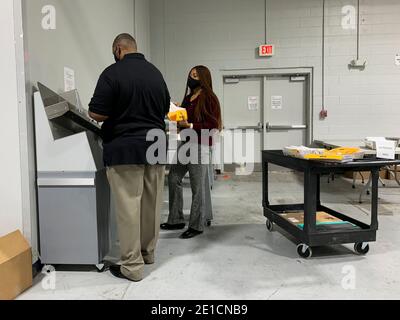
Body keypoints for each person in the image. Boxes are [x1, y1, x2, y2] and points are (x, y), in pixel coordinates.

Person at [88, 33, 170, 282]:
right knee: (150, 205)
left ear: (118, 49)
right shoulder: (156, 73)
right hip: (155, 147)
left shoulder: (112, 73)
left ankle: (132, 267)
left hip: (125, 148)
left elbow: (96, 112)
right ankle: (148, 253)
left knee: (128, 207)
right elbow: (165, 108)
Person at [161, 66, 222, 239]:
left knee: (197, 187)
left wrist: (191, 126)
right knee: (173, 178)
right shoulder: (188, 98)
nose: (191, 77)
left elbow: (213, 125)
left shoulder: (210, 98)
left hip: (200, 145)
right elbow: (183, 121)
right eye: (190, 74)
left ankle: (196, 225)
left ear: (204, 78)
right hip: (185, 143)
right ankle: (175, 219)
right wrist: (176, 114)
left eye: (195, 75)